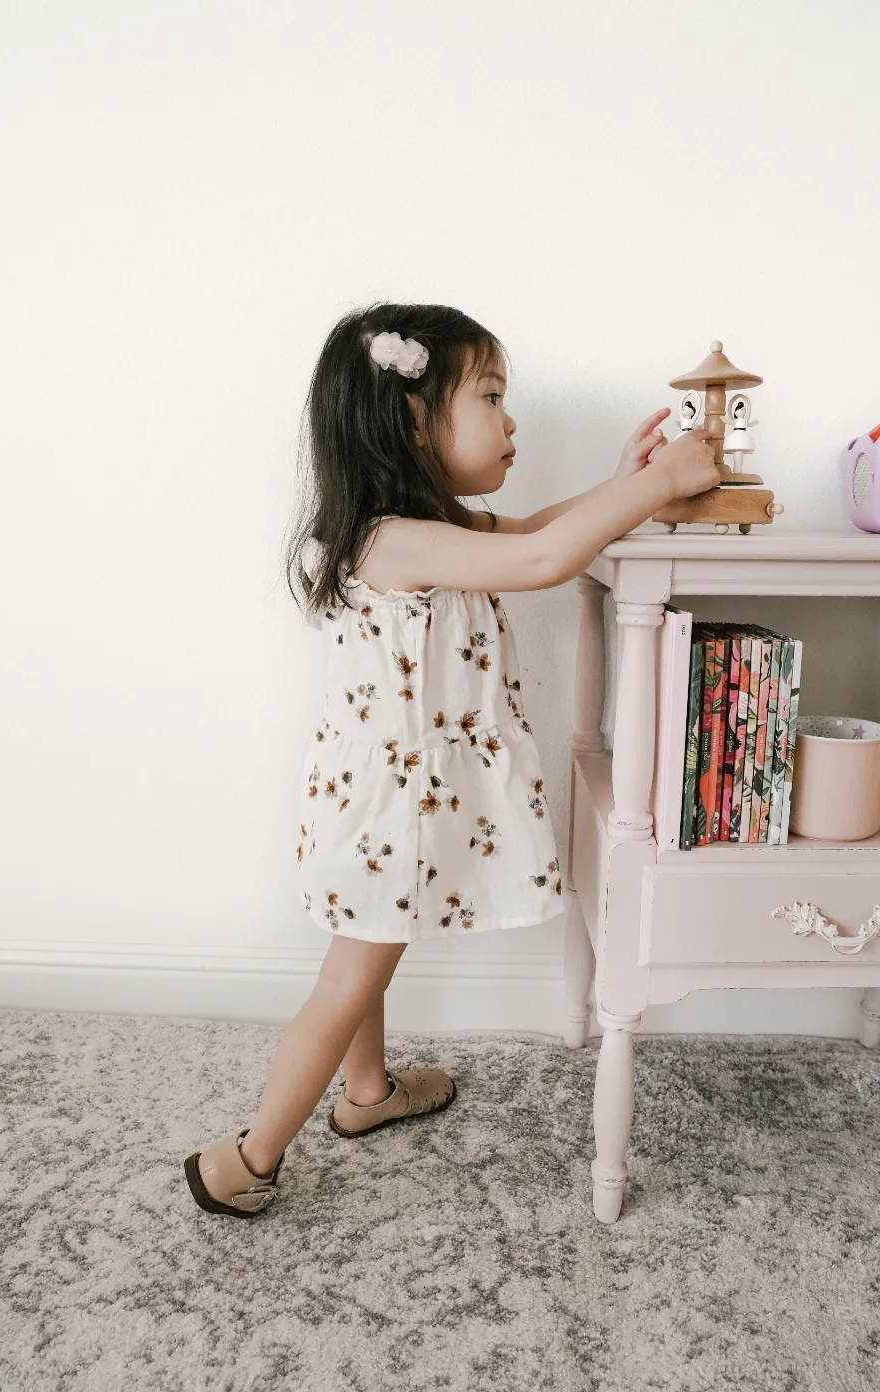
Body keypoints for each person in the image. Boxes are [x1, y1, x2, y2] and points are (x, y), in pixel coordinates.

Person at [183, 303, 718, 1217]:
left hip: (384, 801)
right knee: (354, 971)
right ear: (413, 419)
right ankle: (251, 1158)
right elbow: (551, 555)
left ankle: (367, 1094)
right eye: (492, 398)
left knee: (370, 957)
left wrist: (630, 484)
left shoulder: (433, 530)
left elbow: (543, 528)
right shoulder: (395, 541)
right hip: (392, 810)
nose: (512, 423)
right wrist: (661, 479)